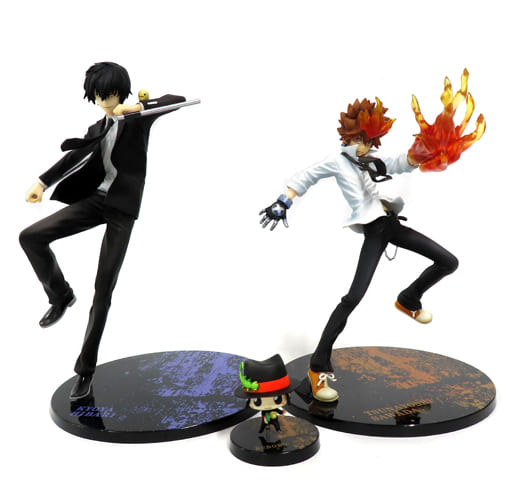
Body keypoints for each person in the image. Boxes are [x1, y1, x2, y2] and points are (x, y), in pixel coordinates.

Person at [259, 97, 459, 403]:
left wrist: (425, 150)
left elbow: (398, 163)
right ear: (349, 136)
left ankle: (408, 299)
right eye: (359, 140)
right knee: (352, 298)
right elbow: (306, 177)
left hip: (390, 223)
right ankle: (317, 369)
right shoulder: (337, 161)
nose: (364, 146)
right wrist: (283, 201)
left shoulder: (369, 159)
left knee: (448, 261)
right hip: (374, 231)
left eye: (369, 141)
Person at [20, 62, 186, 400]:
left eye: (109, 94)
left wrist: (136, 108)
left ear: (120, 92)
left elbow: (177, 99)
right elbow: (73, 158)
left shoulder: (137, 118)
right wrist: (41, 182)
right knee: (31, 236)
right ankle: (60, 295)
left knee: (103, 289)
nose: (103, 101)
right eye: (97, 96)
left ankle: (86, 371)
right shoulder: (98, 126)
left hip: (122, 210)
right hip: (96, 200)